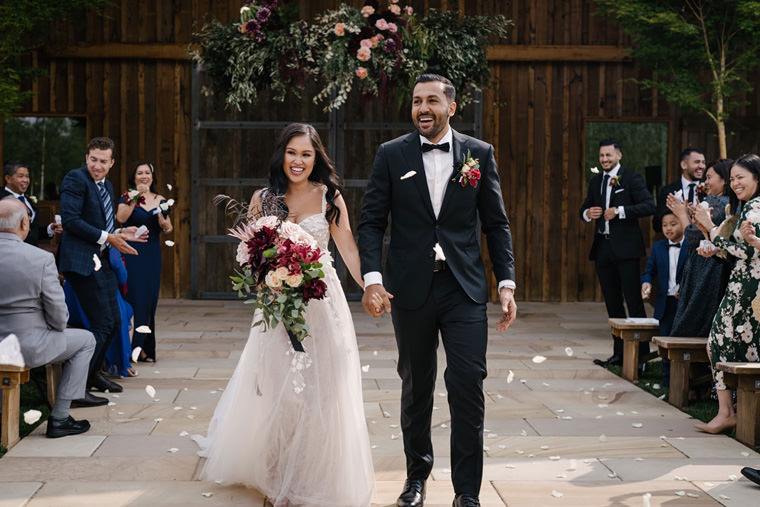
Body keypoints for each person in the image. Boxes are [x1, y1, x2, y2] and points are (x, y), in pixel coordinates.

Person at [193, 123, 374, 506]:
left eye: (306, 154)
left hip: (322, 304)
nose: (298, 161)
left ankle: (310, 470)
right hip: (277, 305)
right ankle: (276, 472)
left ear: (316, 158)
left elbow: (349, 251)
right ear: (282, 154)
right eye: (292, 152)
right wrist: (266, 281)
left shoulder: (330, 198)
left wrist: (370, 286)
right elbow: (252, 254)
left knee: (320, 391)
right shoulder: (265, 197)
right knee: (279, 388)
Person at [358, 73, 517, 507]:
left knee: (468, 382)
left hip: (463, 287)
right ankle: (415, 479)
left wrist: (506, 283)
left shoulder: (478, 154)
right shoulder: (391, 154)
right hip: (409, 287)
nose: (422, 108)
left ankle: (467, 492)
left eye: (431, 100)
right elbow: (371, 222)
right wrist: (373, 279)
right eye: (415, 102)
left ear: (451, 106)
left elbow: (496, 224)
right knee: (416, 384)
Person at [0, 198, 101, 438]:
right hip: (26, 347)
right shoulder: (40, 259)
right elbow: (58, 314)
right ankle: (60, 417)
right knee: (86, 340)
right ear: (24, 224)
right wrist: (55, 328)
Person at [58, 137, 147, 396]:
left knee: (114, 321)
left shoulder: (106, 185)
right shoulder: (75, 179)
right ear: (87, 157)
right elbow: (72, 221)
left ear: (112, 163)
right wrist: (109, 237)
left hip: (101, 260)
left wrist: (121, 231)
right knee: (102, 323)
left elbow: (103, 226)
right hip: (80, 262)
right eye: (93, 160)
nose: (97, 166)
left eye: (103, 161)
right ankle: (77, 387)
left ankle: (93, 375)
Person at [692, 153, 760, 434]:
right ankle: (732, 412)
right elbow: (737, 252)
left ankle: (728, 412)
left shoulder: (756, 208)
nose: (735, 184)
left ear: (757, 177)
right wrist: (715, 248)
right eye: (732, 179)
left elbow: (748, 250)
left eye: (740, 177)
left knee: (718, 343)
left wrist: (710, 229)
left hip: (749, 289)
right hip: (743, 284)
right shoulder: (747, 206)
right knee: (736, 347)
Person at [581, 139, 655, 368]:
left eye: (608, 155)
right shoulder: (595, 182)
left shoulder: (632, 178)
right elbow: (584, 208)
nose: (604, 159)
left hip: (627, 250)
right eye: (602, 156)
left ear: (619, 156)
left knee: (634, 302)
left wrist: (620, 211)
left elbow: (649, 205)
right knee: (612, 304)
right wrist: (587, 213)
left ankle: (641, 356)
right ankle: (619, 354)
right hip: (603, 249)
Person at [666, 159, 736, 339]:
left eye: (710, 177)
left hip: (706, 270)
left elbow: (692, 236)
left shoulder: (716, 202)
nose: (706, 182)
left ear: (724, 180)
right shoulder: (732, 204)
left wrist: (681, 215)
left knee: (691, 325)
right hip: (718, 267)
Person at [115, 160, 172, 363]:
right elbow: (121, 218)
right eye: (140, 173)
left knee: (149, 300)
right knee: (134, 297)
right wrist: (134, 197)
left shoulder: (161, 199)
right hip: (132, 252)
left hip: (152, 254)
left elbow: (169, 228)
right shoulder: (127, 196)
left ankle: (146, 348)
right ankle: (132, 346)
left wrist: (164, 224)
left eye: (147, 172)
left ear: (152, 177)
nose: (144, 176)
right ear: (134, 177)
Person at [63, 246, 136, 378]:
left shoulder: (75, 240)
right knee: (124, 312)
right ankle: (122, 361)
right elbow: (121, 275)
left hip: (72, 300)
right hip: (97, 293)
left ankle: (104, 364)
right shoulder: (109, 239)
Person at [640, 210, 686, 386]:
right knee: (665, 343)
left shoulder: (691, 245)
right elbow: (648, 272)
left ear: (683, 223)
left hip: (684, 304)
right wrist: (646, 284)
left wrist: (685, 289)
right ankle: (668, 381)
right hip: (665, 303)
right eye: (665, 225)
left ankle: (685, 382)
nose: (668, 228)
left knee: (682, 343)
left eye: (673, 224)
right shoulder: (658, 247)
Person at [1, 162, 62, 246]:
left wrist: (50, 229)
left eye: (27, 176)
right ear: (8, 178)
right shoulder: (2, 200)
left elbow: (32, 232)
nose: (25, 180)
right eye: (21, 176)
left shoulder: (29, 201)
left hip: (30, 254)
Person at [653, 147, 706, 232]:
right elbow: (657, 225)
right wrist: (677, 212)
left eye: (703, 162)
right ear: (683, 165)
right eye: (697, 162)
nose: (701, 166)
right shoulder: (668, 191)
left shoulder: (709, 188)